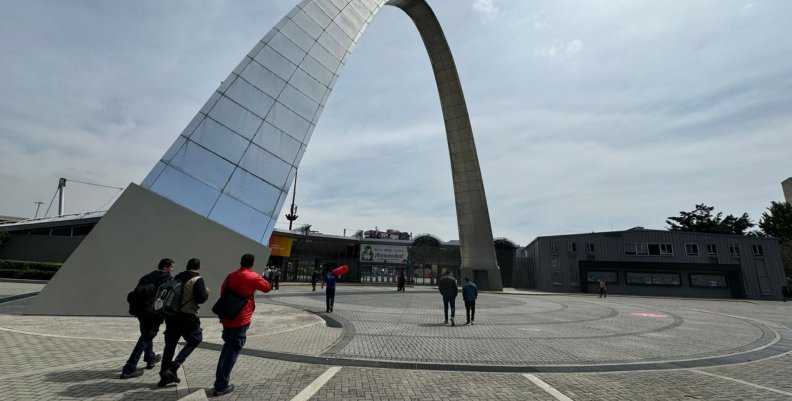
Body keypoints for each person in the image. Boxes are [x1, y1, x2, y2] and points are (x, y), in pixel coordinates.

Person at [212, 253, 272, 397]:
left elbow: (222, 291)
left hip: (228, 318)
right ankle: (221, 385)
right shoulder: (253, 277)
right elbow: (267, 287)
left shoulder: (231, 276)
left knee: (226, 349)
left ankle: (219, 381)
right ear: (252, 264)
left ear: (241, 262)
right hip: (241, 319)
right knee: (232, 351)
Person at [158, 258, 210, 387]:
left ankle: (164, 378)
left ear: (187, 266)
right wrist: (206, 293)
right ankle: (173, 367)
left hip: (172, 316)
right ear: (198, 268)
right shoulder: (198, 279)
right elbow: (200, 299)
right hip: (187, 317)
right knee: (195, 339)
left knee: (169, 346)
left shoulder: (176, 277)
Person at [120, 258, 174, 379]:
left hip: (140, 311)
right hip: (153, 313)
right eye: (171, 267)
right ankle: (129, 368)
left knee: (146, 334)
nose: (172, 269)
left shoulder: (146, 276)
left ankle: (150, 358)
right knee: (146, 337)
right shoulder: (166, 279)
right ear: (166, 267)